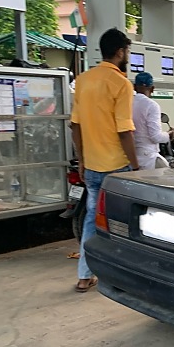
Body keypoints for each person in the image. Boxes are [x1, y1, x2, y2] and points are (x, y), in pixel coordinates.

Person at [70, 27, 138, 293]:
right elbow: (124, 130)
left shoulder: (84, 80)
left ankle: (84, 276)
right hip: (117, 167)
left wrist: (82, 159)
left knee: (91, 220)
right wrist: (136, 166)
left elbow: (74, 126)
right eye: (127, 51)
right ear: (121, 52)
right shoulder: (121, 83)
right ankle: (125, 276)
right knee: (123, 223)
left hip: (93, 166)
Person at [132, 72, 174, 170]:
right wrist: (171, 133)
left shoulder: (126, 102)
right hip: (147, 159)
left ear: (134, 87)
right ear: (152, 88)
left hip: (130, 158)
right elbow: (156, 137)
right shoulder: (152, 105)